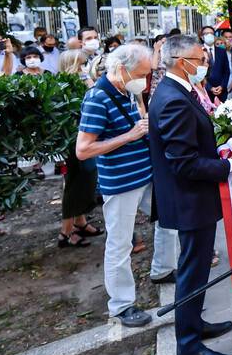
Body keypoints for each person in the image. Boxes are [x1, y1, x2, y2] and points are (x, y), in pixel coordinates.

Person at [147, 35, 232, 355]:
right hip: (189, 199)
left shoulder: (179, 91)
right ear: (179, 61)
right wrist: (229, 166)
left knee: (199, 267)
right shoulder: (173, 98)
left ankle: (194, 324)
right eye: (199, 58)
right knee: (191, 271)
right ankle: (189, 348)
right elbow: (184, 162)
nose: (204, 62)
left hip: (193, 198)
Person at [75, 43, 179, 328]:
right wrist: (130, 136)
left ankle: (162, 269)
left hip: (146, 174)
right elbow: (83, 150)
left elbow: (139, 122)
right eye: (142, 74)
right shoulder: (97, 98)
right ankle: (121, 306)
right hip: (121, 182)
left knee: (169, 220)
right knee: (120, 243)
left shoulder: (126, 90)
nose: (145, 81)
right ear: (121, 69)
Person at [57, 49, 102, 248]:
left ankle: (80, 220)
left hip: (86, 140)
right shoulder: (62, 86)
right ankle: (66, 231)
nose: (84, 69)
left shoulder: (81, 83)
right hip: (72, 142)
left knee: (87, 180)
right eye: (81, 65)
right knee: (74, 184)